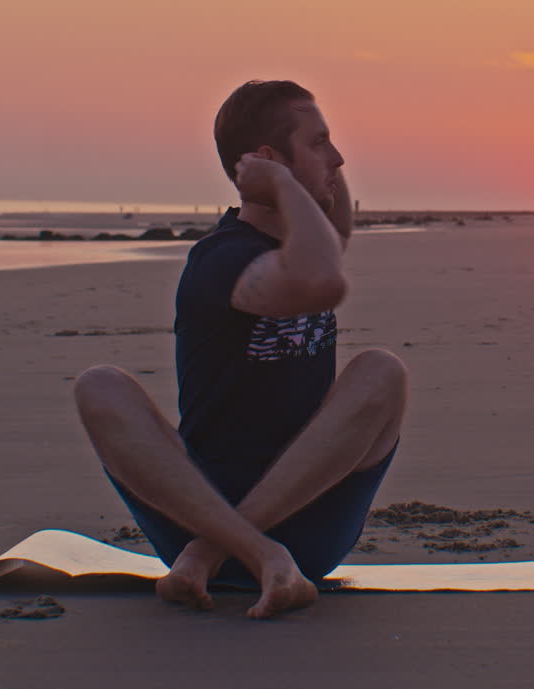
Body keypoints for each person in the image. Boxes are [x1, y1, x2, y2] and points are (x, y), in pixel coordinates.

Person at [73, 80, 407, 619]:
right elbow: (319, 276)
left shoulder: (300, 238)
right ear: (270, 162)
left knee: (381, 373)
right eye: (318, 143)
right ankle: (255, 551)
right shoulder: (224, 261)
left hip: (296, 529)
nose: (338, 157)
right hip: (199, 511)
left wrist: (207, 551)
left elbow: (330, 229)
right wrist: (279, 181)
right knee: (99, 386)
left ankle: (230, 549)